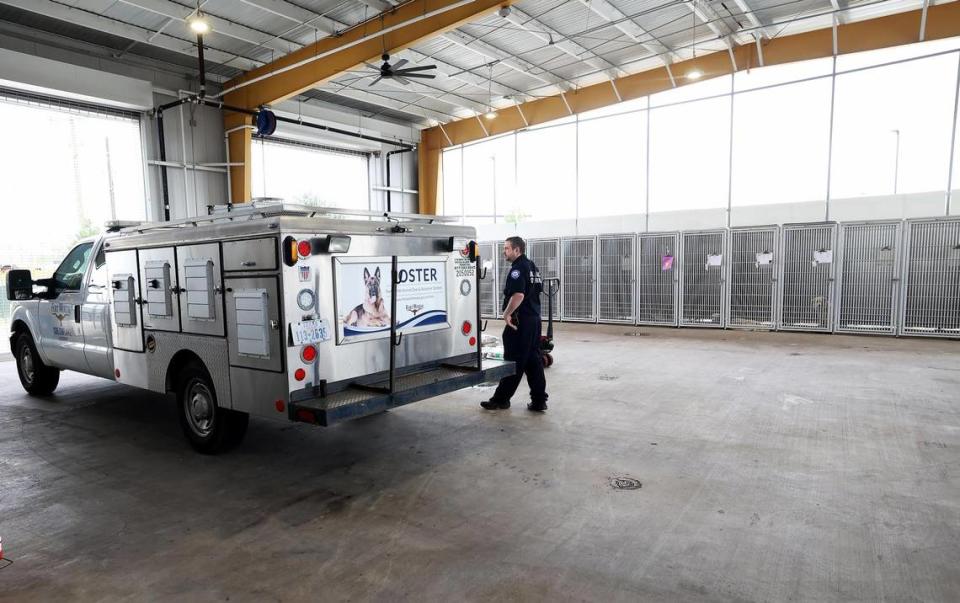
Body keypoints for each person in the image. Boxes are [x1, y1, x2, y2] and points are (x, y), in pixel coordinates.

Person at [481, 236, 549, 412]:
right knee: (533, 361)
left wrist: (506, 314)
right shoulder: (532, 266)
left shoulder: (518, 269)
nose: (504, 251)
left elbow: (518, 295)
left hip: (521, 323)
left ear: (517, 250)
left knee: (514, 362)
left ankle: (501, 399)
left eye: (507, 248)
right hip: (534, 321)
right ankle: (539, 400)